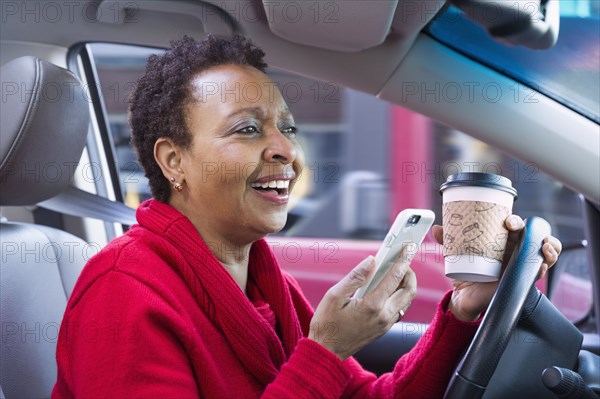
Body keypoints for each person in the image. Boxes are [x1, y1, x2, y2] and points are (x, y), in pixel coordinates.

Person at [52, 35, 562, 399]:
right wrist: (326, 350)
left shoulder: (266, 283)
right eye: (248, 129)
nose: (285, 151)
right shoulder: (124, 293)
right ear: (173, 161)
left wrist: (464, 310)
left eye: (288, 128)